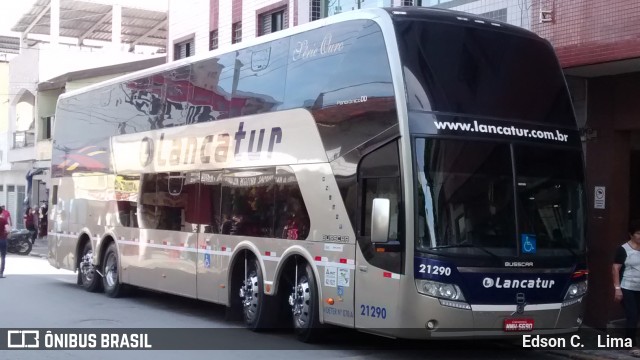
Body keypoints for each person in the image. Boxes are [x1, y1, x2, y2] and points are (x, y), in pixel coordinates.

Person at [613, 220, 640, 357]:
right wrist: (617, 288)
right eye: (638, 233)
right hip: (628, 287)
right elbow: (616, 268)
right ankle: (631, 344)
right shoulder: (623, 249)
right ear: (631, 235)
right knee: (632, 315)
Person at [0, 212, 10, 278]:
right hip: (2, 239)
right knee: (3, 256)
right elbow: (8, 230)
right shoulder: (3, 220)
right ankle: (1, 273)